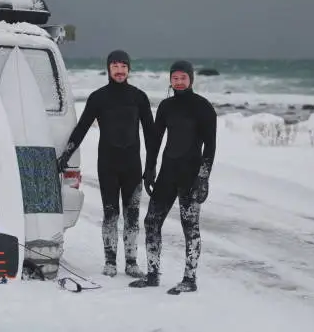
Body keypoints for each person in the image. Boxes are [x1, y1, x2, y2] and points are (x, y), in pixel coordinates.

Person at [57, 49, 154, 278]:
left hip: (133, 167)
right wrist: (65, 156)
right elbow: (81, 128)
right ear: (109, 69)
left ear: (129, 69)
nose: (119, 70)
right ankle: (110, 262)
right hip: (108, 166)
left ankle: (131, 262)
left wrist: (151, 168)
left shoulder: (139, 97)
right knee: (110, 214)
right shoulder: (98, 98)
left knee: (132, 216)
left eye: (123, 66)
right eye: (115, 66)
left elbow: (151, 135)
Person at [129, 60, 217, 294]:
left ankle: (190, 279)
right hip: (168, 173)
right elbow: (156, 141)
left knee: (190, 228)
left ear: (191, 79)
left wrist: (203, 177)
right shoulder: (166, 107)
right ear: (170, 79)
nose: (179, 82)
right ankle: (153, 274)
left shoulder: (203, 107)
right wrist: (149, 169)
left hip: (191, 175)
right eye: (175, 78)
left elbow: (210, 147)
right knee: (151, 222)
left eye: (183, 78)